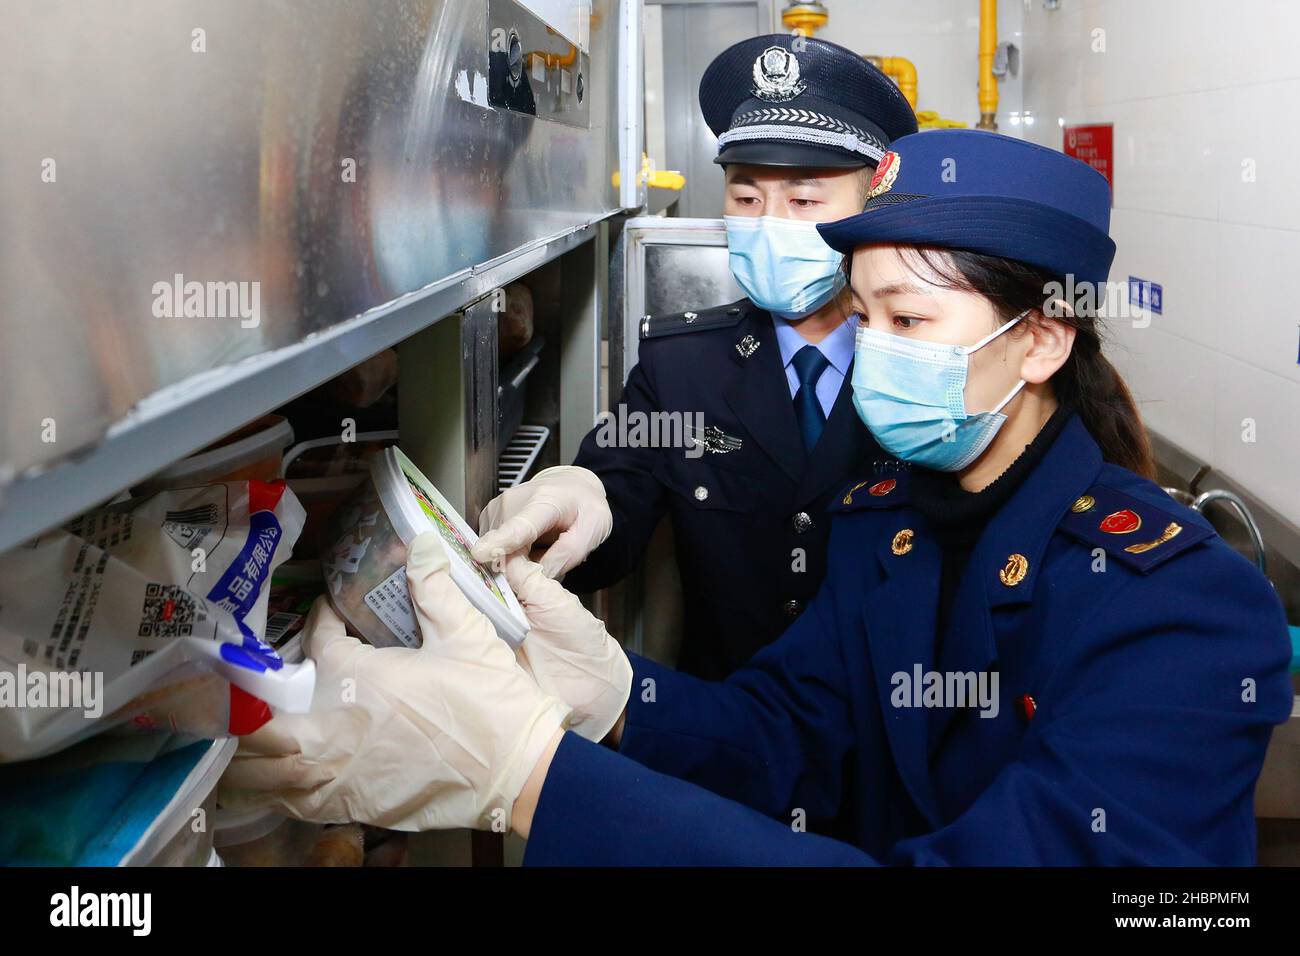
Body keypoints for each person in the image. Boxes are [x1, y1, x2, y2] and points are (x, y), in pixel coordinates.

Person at [223, 130, 1293, 865]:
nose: (872, 355)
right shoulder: (889, 525)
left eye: (909, 325)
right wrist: (612, 695)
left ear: (1042, 340)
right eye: (862, 318)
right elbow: (789, 733)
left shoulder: (1179, 608)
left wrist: (527, 772)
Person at [471, 34, 918, 680]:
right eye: (746, 197)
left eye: (805, 200)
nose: (769, 222)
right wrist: (579, 496)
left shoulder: (926, 362)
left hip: (893, 739)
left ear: (870, 202)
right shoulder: (685, 365)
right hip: (720, 735)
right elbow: (619, 498)